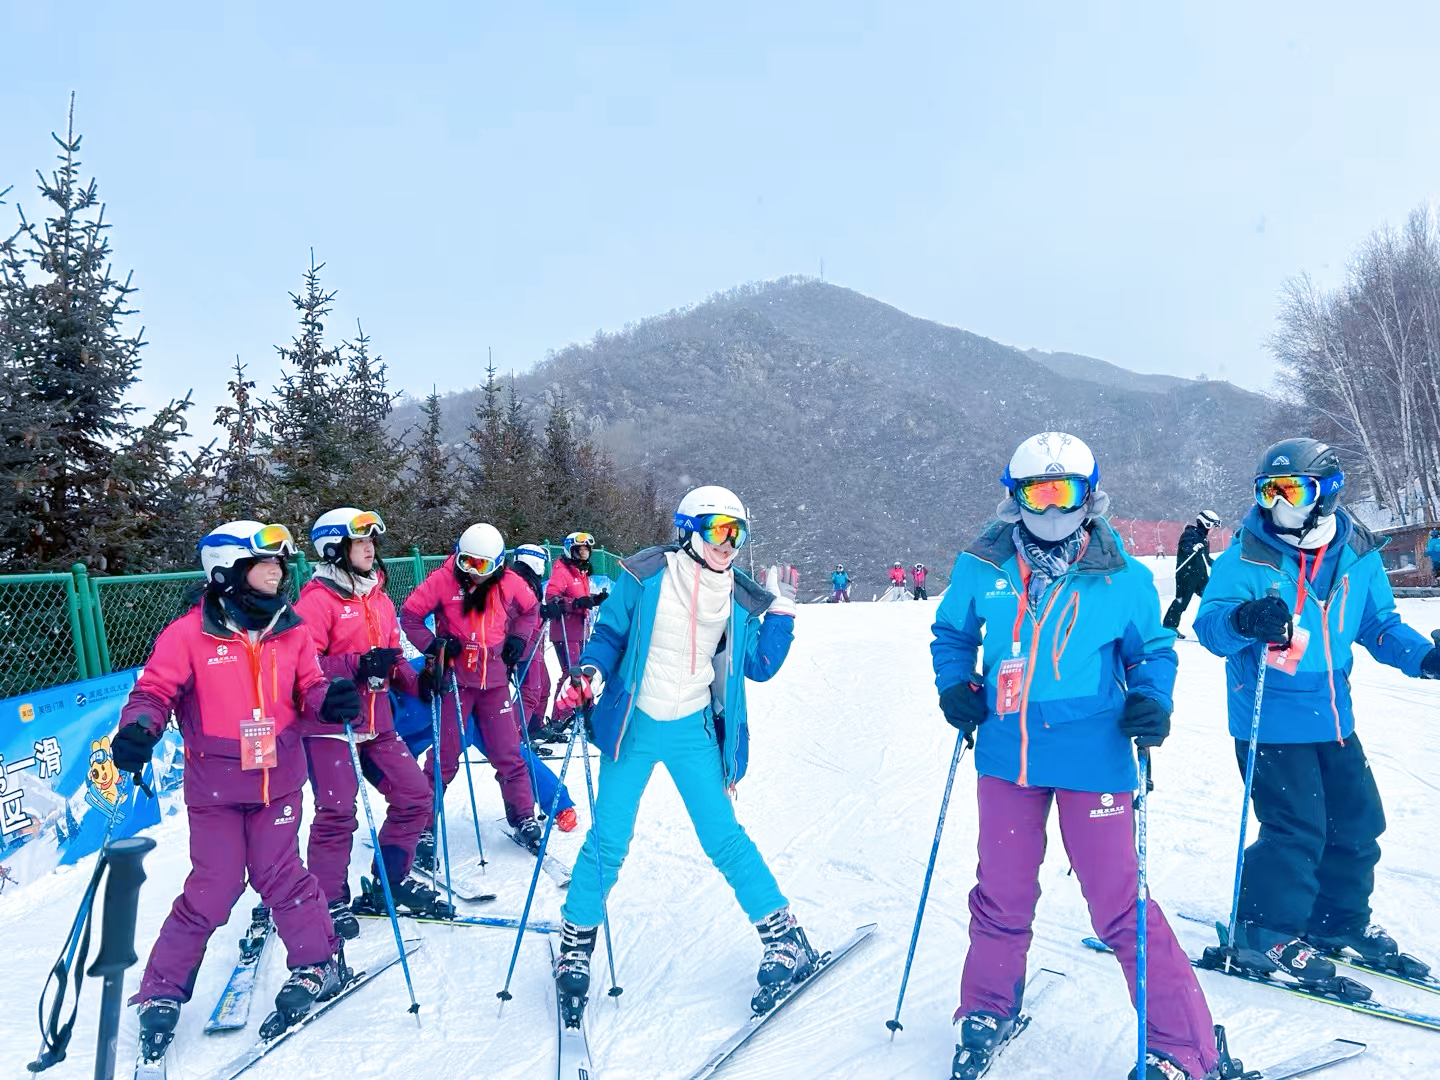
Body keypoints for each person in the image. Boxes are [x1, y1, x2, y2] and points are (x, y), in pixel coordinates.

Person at [932, 433, 1228, 1080]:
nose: (1051, 508)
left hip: (1094, 755)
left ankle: (1185, 1047)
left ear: (1089, 495)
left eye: (1064, 492)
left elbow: (1151, 649)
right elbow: (952, 634)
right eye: (1037, 492)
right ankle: (987, 1006)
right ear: (1014, 498)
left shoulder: (1121, 574)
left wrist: (1152, 697)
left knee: (1119, 905)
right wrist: (954, 684)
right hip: (1008, 757)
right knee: (1002, 894)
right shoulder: (981, 566)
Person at [549, 485, 808, 1026]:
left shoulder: (737, 596)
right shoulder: (644, 577)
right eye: (720, 531)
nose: (730, 544)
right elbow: (609, 636)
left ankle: (785, 936)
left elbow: (758, 665)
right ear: (690, 530)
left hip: (693, 728)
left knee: (723, 837)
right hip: (634, 726)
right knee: (609, 840)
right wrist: (588, 673)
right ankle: (575, 940)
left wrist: (779, 612)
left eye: (739, 533)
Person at [1194, 438, 1439, 985]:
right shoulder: (1248, 555)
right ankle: (1263, 931)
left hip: (1333, 717)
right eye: (1269, 491)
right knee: (1295, 829)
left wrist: (1424, 658)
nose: (1279, 503)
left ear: (1326, 494)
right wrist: (1245, 621)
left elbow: (1379, 624)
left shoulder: (1358, 552)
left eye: (1294, 490)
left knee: (1357, 823)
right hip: (1270, 719)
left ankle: (1337, 921)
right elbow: (1210, 627)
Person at [113, 521, 357, 1061]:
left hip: (279, 781)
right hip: (215, 789)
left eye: (281, 562)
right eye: (265, 562)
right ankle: (161, 990)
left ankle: (321, 962)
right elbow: (153, 691)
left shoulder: (290, 630)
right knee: (213, 886)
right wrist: (139, 727)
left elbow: (310, 686)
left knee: (283, 876)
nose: (278, 571)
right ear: (226, 573)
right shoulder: (187, 635)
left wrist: (329, 700)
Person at [293, 508, 450, 935]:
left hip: (377, 724)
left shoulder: (379, 598)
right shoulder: (317, 601)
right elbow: (300, 666)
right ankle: (328, 900)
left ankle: (389, 882)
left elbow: (393, 659)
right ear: (334, 548)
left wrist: (421, 682)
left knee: (416, 796)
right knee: (338, 811)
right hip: (331, 725)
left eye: (371, 541)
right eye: (359, 541)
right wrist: (354, 665)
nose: (370, 548)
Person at [399, 522, 543, 854]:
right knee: (445, 755)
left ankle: (522, 815)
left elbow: (531, 609)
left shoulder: (509, 582)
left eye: (483, 565)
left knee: (508, 751)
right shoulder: (444, 579)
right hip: (456, 680)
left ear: (498, 564)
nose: (474, 572)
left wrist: (518, 639)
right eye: (467, 562)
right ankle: (423, 824)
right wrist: (434, 645)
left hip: (493, 681)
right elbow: (409, 615)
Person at [390, 658, 578, 832]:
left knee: (509, 752)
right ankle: (413, 822)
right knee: (405, 771)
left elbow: (463, 734)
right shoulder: (379, 723)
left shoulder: (403, 683)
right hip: (418, 722)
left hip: (459, 701)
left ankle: (558, 802)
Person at [542, 531, 608, 739]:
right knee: (572, 672)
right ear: (571, 551)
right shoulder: (562, 571)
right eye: (580, 550)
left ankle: (584, 708)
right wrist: (575, 604)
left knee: (581, 671)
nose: (584, 554)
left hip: (579, 628)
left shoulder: (580, 572)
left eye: (587, 550)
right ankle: (559, 716)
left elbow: (580, 596)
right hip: (565, 630)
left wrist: (593, 600)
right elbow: (552, 598)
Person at [509, 543, 554, 740]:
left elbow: (531, 608)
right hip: (523, 643)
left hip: (533, 640)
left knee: (543, 687)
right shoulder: (516, 581)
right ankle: (514, 737)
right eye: (541, 562)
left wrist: (544, 610)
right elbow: (515, 613)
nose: (543, 567)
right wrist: (541, 611)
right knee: (530, 692)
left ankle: (534, 726)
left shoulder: (529, 582)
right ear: (532, 560)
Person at [1162, 511, 1221, 637]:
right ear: (1206, 523)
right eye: (1213, 526)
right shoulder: (1189, 533)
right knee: (1181, 601)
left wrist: (1219, 565)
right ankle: (1169, 626)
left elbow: (1206, 557)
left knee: (1212, 596)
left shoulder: (1204, 539)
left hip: (1200, 575)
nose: (1214, 530)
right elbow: (1185, 547)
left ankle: (1215, 625)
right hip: (1186, 575)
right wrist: (1192, 547)